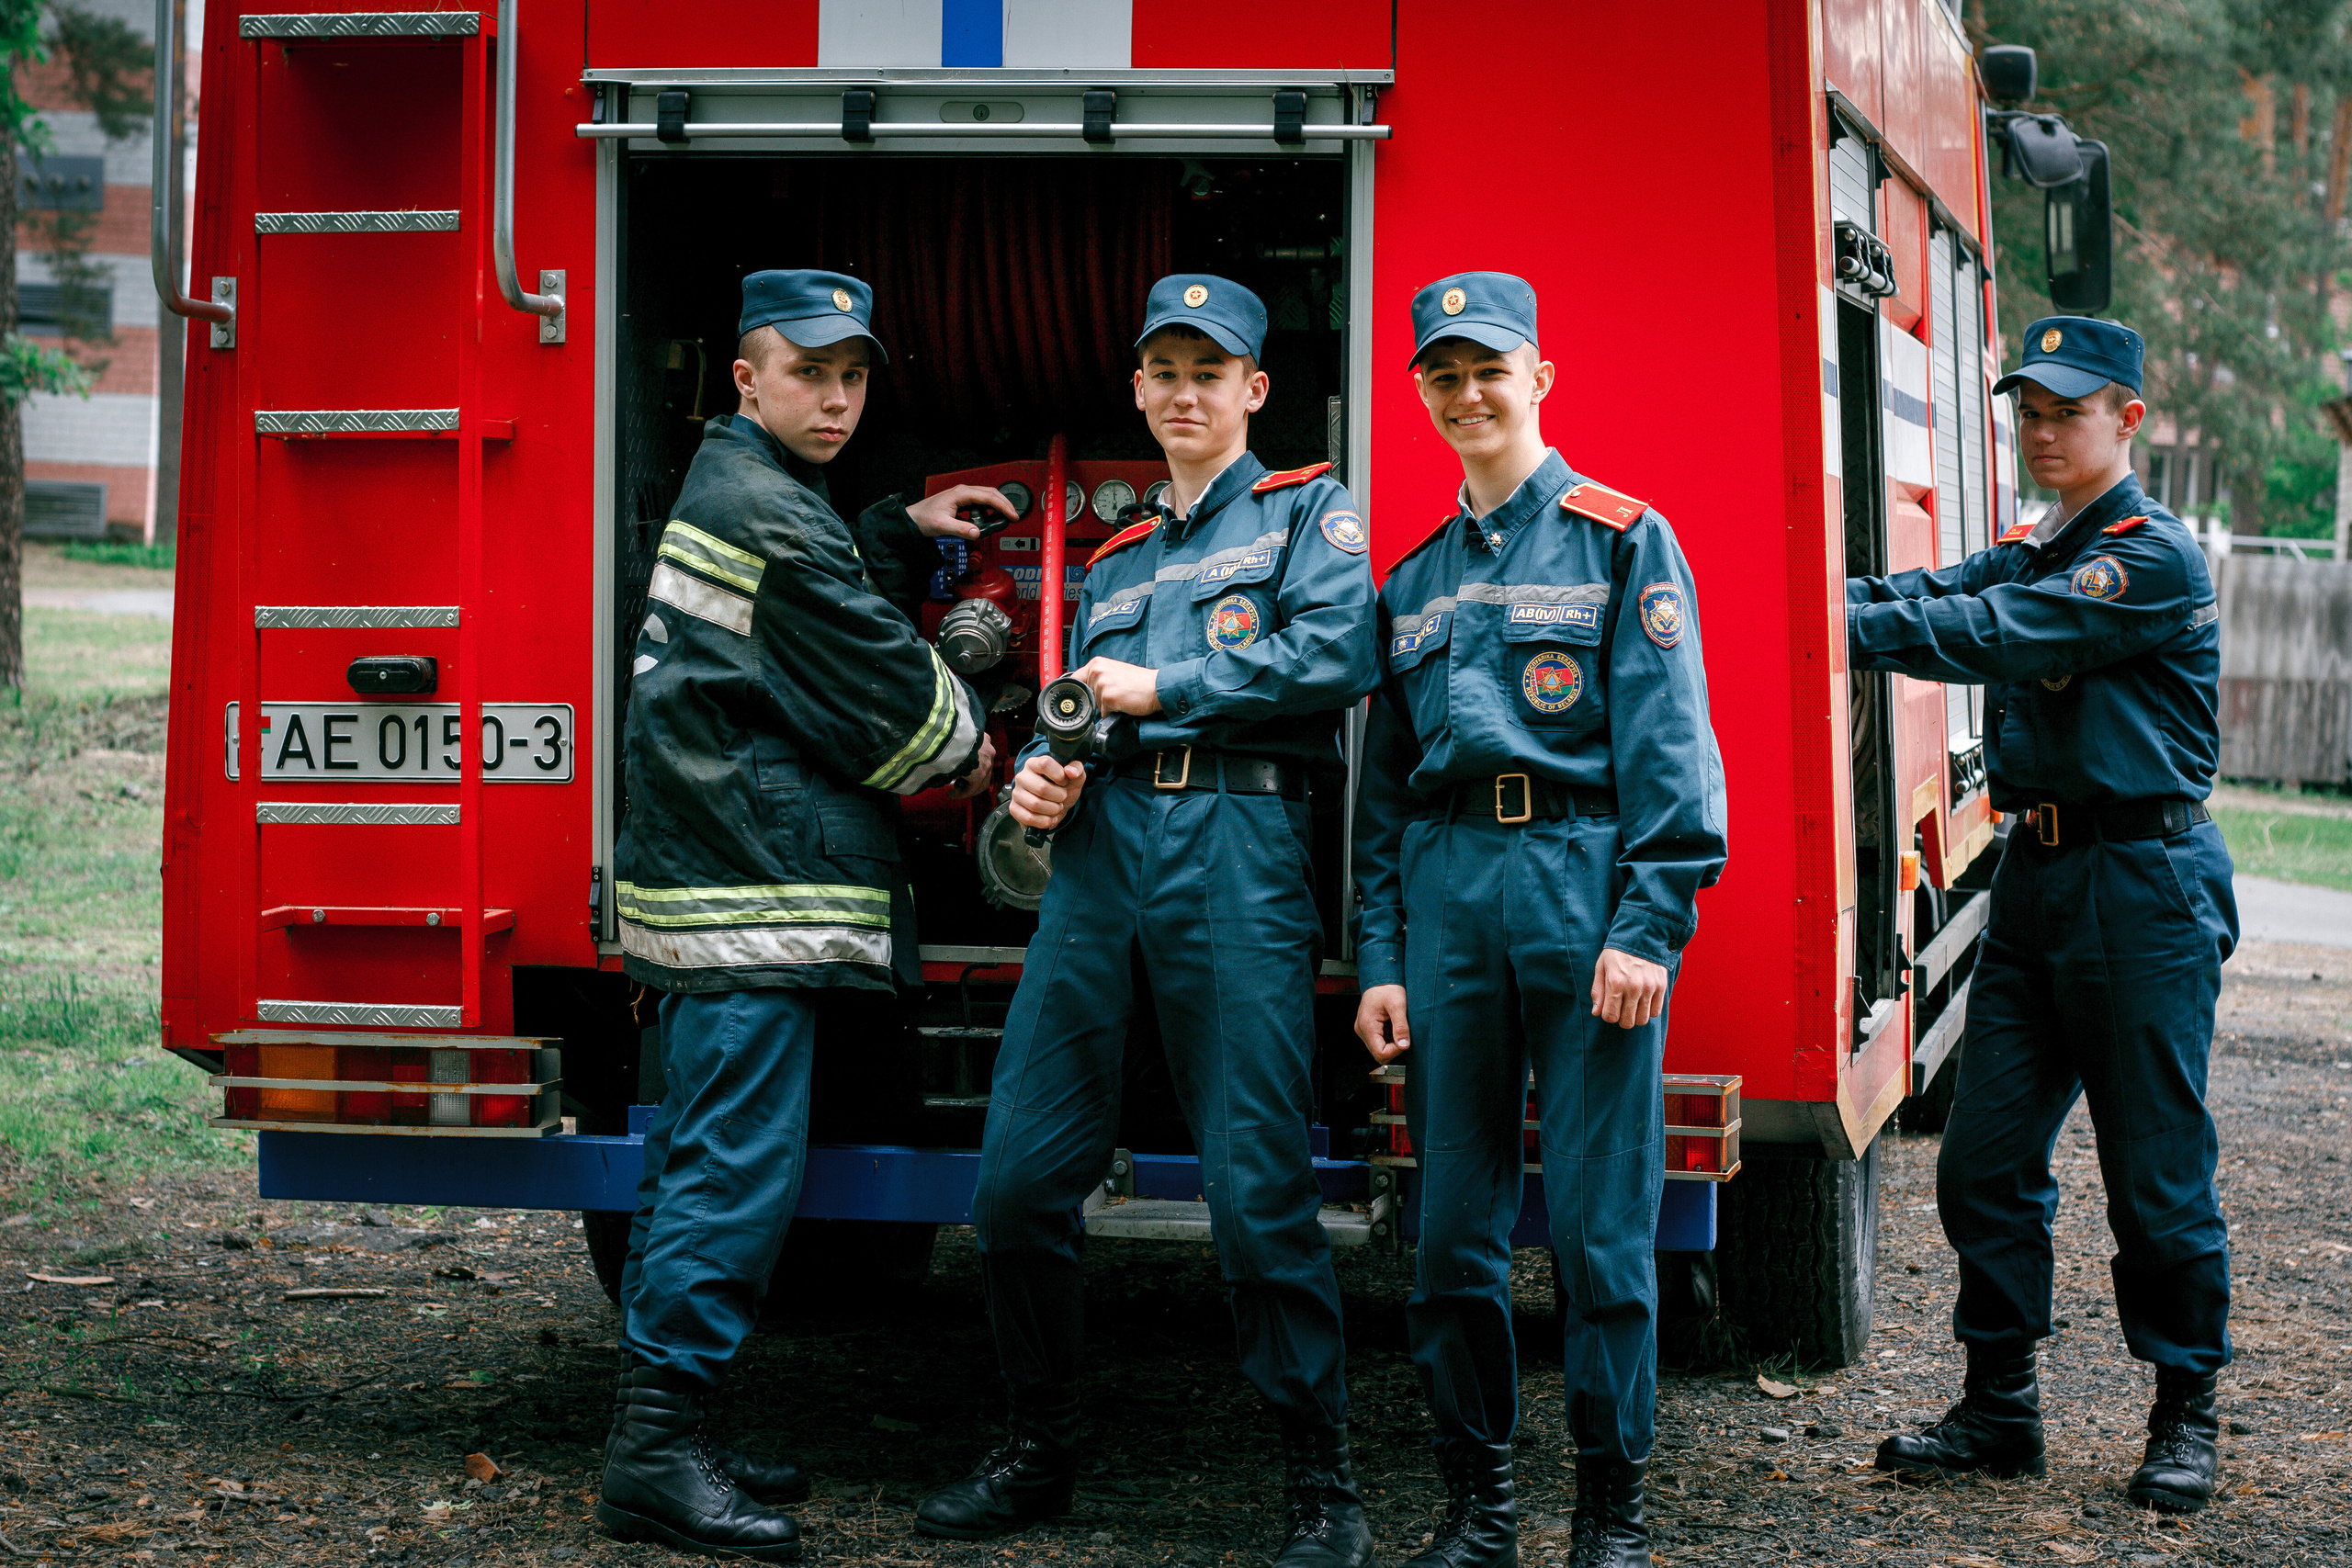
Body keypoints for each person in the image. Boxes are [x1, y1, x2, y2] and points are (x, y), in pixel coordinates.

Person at [914, 274, 1382, 1568]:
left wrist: (1165, 681)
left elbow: (1340, 658)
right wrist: (1045, 783)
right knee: (1013, 1187)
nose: (1184, 392)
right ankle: (1036, 1448)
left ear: (1254, 391)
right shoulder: (1114, 562)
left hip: (1235, 852)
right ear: (1137, 389)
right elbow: (1075, 714)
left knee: (1254, 1194)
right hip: (1102, 860)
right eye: (1162, 371)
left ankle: (1321, 1484)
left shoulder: (1306, 516)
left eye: (1208, 370)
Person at [601, 268, 1012, 1562]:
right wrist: (975, 749)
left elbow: (800, 621)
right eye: (807, 373)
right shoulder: (770, 513)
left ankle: (674, 1436)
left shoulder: (749, 488)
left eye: (852, 377)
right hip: (750, 903)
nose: (835, 398)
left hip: (716, 886)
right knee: (729, 1179)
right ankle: (654, 1462)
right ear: (745, 378)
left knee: (689, 1172)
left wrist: (895, 523)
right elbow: (884, 694)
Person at [1351, 272, 1727, 1568]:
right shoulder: (1406, 583)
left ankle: (1609, 1515)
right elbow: (1386, 799)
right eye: (1442, 376)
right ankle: (1479, 1511)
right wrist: (1384, 958)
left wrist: (1650, 924)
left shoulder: (1625, 539)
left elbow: (1674, 757)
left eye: (1487, 370)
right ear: (1420, 394)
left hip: (1583, 886)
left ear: (1539, 379)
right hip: (1452, 891)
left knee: (1598, 1227)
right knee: (1451, 1227)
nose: (1466, 394)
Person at [1853, 317, 2235, 1513]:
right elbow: (1937, 590)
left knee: (2156, 1177)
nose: (2041, 428)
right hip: (2038, 881)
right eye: (2028, 408)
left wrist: (1827, 625)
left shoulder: (2146, 557)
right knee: (1983, 1161)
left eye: (2067, 409)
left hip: (2142, 885)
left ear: (2128, 417)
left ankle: (2185, 1414)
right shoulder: (2036, 542)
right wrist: (1818, 593)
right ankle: (2001, 1411)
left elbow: (1992, 633)